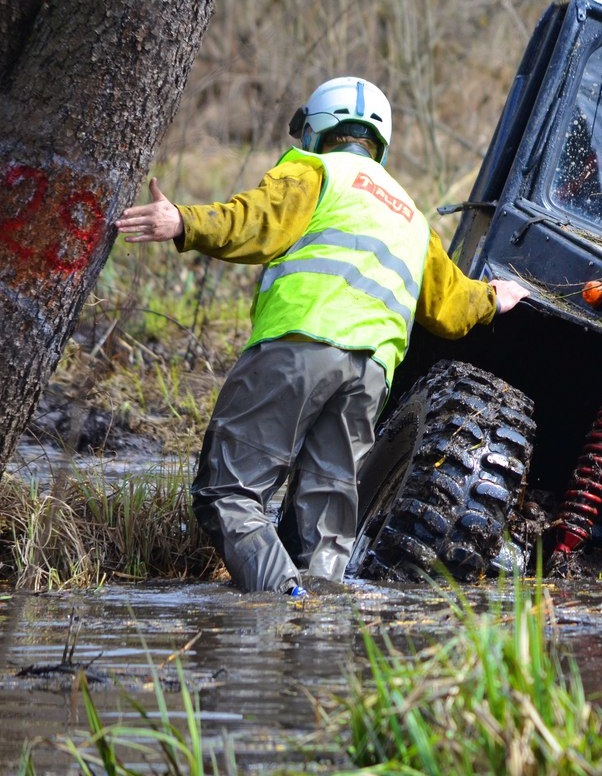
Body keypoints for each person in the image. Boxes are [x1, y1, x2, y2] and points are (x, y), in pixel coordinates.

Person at [116, 76, 529, 597]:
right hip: (370, 377)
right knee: (327, 525)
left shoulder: (315, 170)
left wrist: (183, 222)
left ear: (315, 130)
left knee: (228, 491)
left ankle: (285, 601)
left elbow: (254, 223)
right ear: (381, 142)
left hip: (298, 348)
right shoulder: (410, 216)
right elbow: (450, 308)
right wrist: (494, 297)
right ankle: (320, 631)